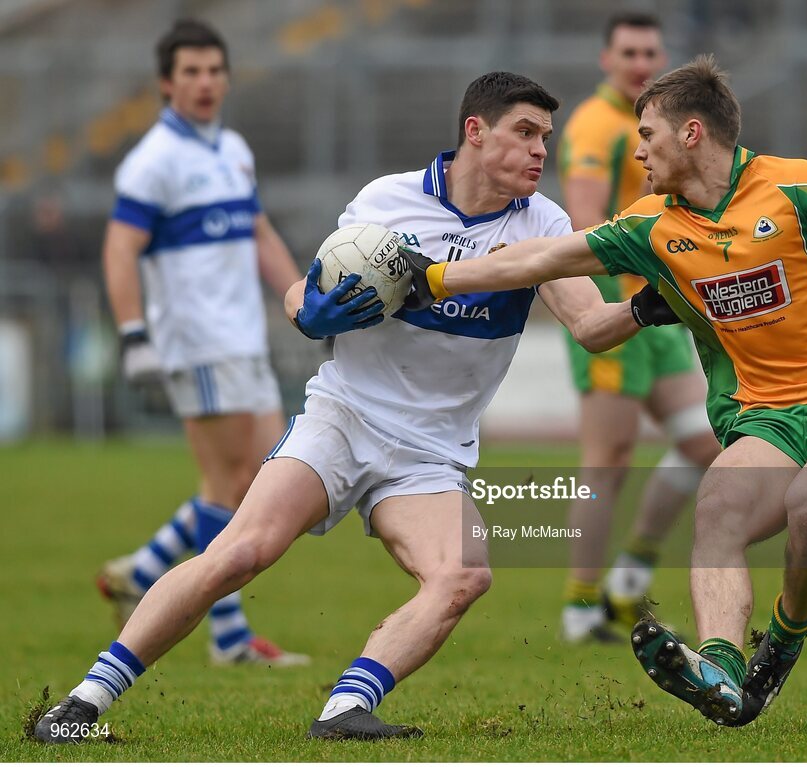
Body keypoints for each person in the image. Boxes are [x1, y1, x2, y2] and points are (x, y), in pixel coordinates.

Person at [33, 71, 676, 744]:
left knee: (462, 575)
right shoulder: (388, 200)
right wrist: (309, 315)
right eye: (525, 132)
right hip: (344, 419)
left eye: (546, 135)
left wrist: (642, 307)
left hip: (429, 453)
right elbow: (305, 293)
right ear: (475, 132)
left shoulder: (542, 221)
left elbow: (590, 326)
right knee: (239, 552)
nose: (541, 149)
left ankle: (344, 708)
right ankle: (78, 705)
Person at [401, 55, 807, 726]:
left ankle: (779, 646)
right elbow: (545, 257)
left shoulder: (797, 186)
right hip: (765, 422)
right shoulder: (653, 226)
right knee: (720, 504)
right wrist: (438, 278)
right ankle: (722, 670)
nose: (638, 149)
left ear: (692, 133)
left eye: (648, 134)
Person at [94, 19, 308, 666]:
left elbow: (259, 232)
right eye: (190, 71)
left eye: (214, 69)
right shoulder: (152, 161)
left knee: (266, 478)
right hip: (197, 339)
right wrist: (134, 332)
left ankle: (144, 567)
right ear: (166, 83)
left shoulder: (232, 149)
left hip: (243, 335)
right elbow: (119, 249)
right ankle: (230, 640)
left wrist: (303, 297)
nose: (205, 81)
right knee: (228, 486)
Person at [557, 11, 720, 642]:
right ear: (607, 59)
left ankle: (626, 583)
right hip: (614, 311)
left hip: (661, 309)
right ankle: (578, 607)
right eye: (628, 52)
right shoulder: (598, 125)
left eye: (650, 52)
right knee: (607, 461)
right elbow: (586, 219)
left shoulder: (666, 124)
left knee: (706, 441)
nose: (641, 63)